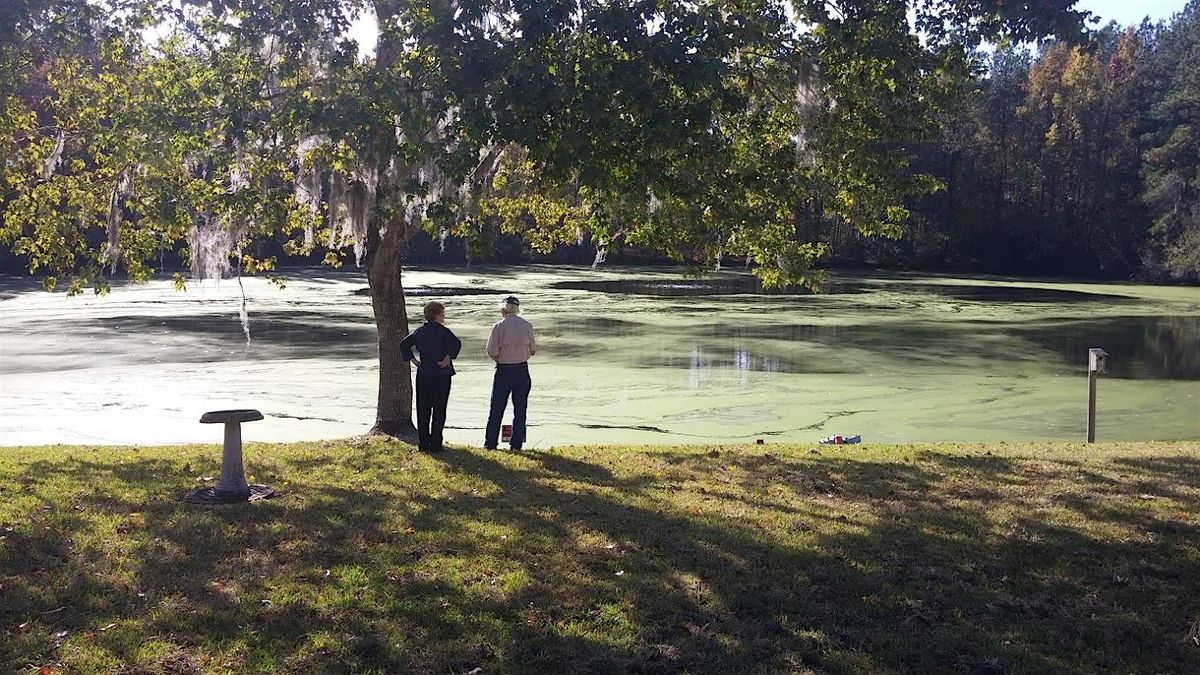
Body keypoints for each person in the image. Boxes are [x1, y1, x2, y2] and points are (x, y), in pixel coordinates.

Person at [399, 301, 461, 452]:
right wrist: (448, 358)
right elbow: (457, 344)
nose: (444, 316)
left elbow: (404, 344)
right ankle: (436, 443)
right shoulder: (444, 332)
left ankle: (423, 443)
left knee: (423, 408)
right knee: (439, 409)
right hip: (441, 374)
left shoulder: (420, 332)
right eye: (443, 313)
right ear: (438, 315)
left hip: (425, 372)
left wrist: (413, 360)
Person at [484, 295, 536, 451]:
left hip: (504, 370)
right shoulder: (527, 326)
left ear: (503, 309)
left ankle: (491, 443)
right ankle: (516, 444)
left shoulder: (499, 326)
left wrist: (500, 358)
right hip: (522, 370)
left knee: (497, 408)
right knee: (520, 410)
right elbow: (533, 350)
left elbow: (491, 351)